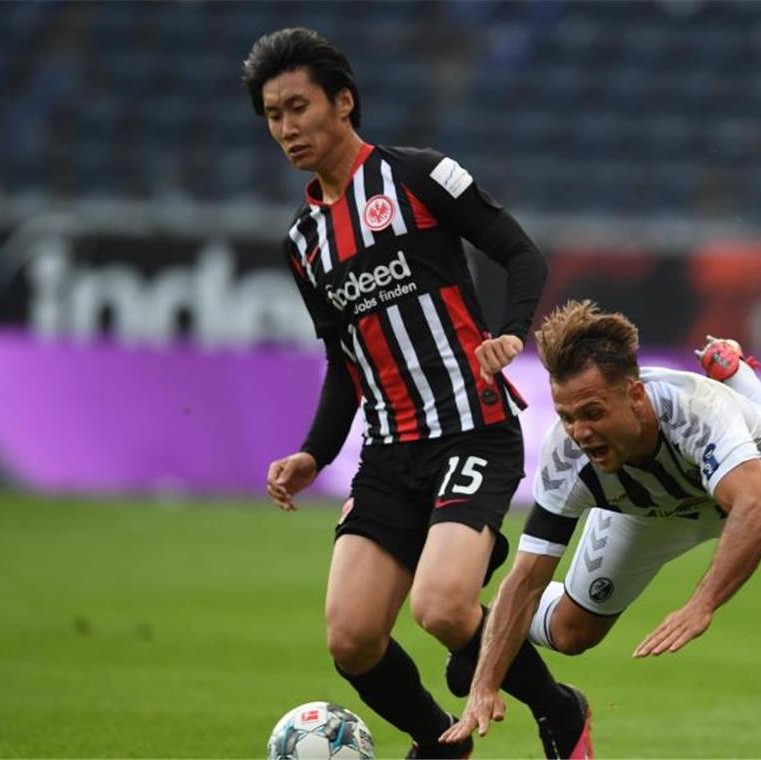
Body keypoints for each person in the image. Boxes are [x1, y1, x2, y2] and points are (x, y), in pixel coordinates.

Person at [246, 28, 591, 759]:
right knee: (352, 637)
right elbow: (345, 358)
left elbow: (519, 252)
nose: (286, 128)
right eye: (273, 115)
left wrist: (510, 332)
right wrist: (314, 452)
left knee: (441, 608)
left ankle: (560, 710)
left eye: (298, 107)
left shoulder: (420, 176)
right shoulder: (304, 242)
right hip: (390, 453)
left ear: (344, 102)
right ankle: (441, 742)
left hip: (472, 429)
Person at [442, 300, 761, 745]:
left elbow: (757, 512)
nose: (580, 432)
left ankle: (740, 376)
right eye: (567, 417)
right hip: (650, 512)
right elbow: (526, 580)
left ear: (635, 395)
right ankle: (487, 627)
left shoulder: (696, 411)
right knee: (571, 633)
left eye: (593, 413)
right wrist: (486, 680)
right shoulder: (565, 454)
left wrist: (701, 605)